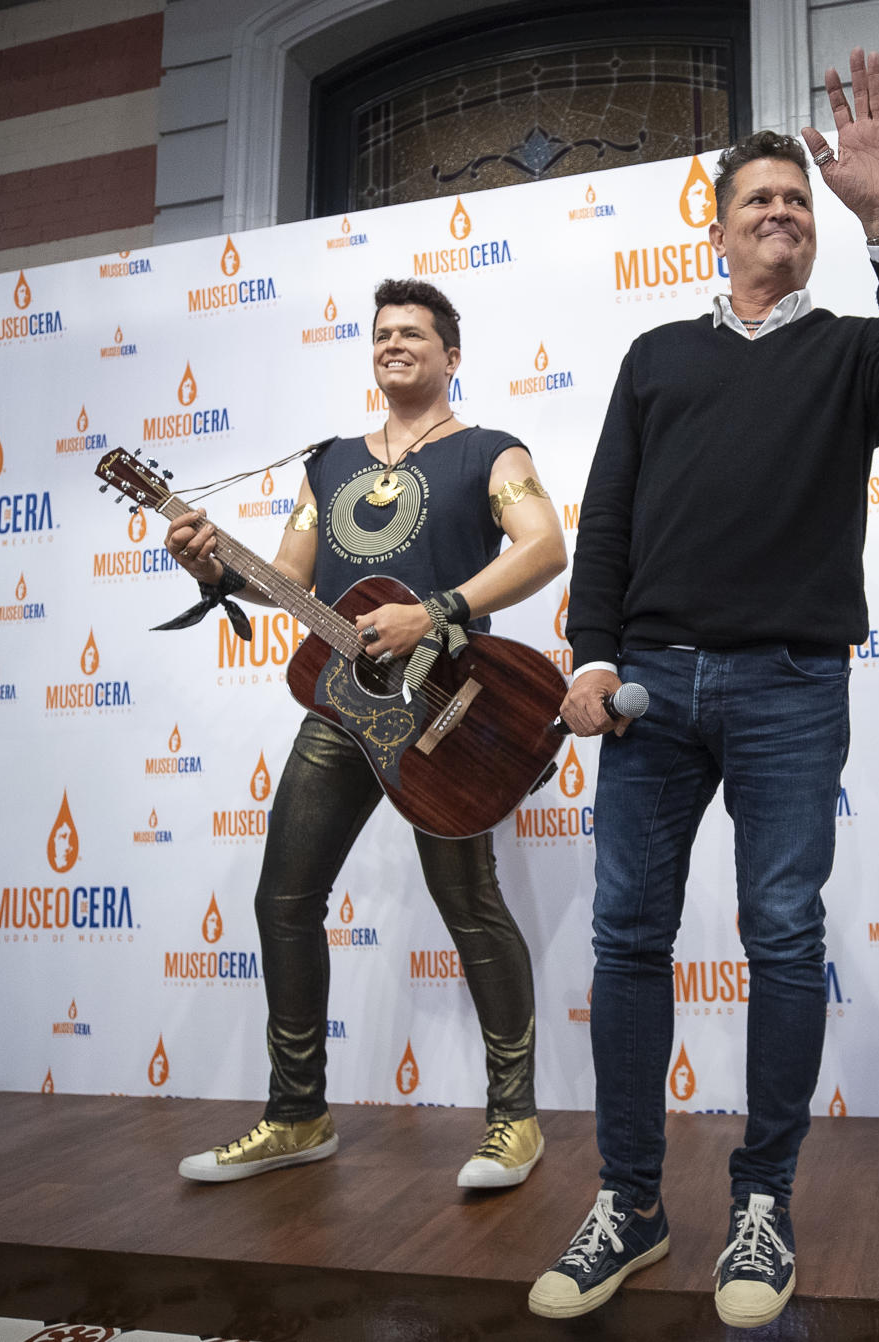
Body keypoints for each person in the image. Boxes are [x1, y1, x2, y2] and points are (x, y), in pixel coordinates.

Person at [528, 48, 879, 1328]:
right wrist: (593, 656)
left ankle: (762, 1202)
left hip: (791, 687)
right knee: (627, 941)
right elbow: (604, 519)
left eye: (798, 200)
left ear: (817, 230)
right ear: (717, 231)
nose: (779, 213)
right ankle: (630, 1198)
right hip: (647, 695)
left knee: (781, 938)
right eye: (756, 202)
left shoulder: (852, 354)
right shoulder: (657, 355)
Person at [164, 278, 566, 1189]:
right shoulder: (332, 463)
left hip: (447, 715)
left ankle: (514, 1121)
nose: (394, 345)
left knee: (470, 909)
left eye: (414, 334)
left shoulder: (493, 453)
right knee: (283, 900)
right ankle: (297, 1115)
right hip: (343, 713)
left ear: (450, 356)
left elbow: (544, 546)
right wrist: (215, 563)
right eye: (382, 333)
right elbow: (288, 581)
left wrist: (437, 612)